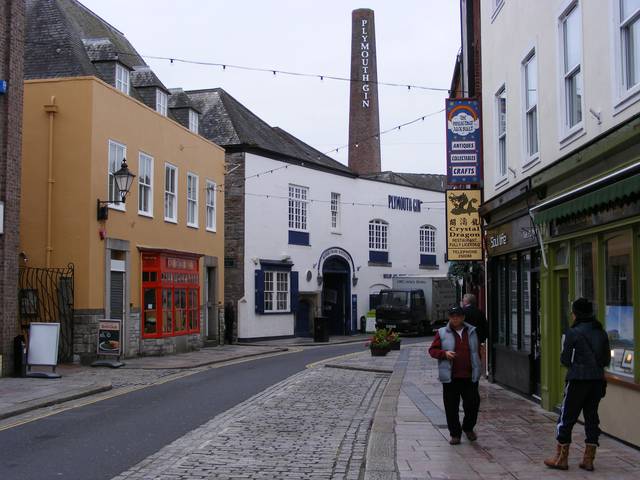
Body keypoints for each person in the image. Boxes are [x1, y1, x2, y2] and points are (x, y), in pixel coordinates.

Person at [544, 298, 611, 471]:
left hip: (577, 380)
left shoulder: (573, 332)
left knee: (566, 417)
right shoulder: (601, 332)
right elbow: (606, 359)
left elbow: (565, 359)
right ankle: (589, 459)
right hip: (596, 381)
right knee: (591, 418)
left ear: (576, 313)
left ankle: (561, 458)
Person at [428, 305, 482, 445]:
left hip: (470, 376)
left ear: (463, 317)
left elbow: (476, 351)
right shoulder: (441, 332)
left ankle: (468, 428)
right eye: (452, 316)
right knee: (451, 408)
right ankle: (455, 434)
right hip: (451, 377)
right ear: (449, 318)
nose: (455, 318)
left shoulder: (472, 331)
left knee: (473, 405)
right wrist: (444, 354)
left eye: (458, 316)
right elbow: (432, 350)